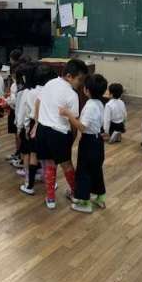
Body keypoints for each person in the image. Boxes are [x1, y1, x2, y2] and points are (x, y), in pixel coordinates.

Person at [35, 58, 89, 209]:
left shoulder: (50, 83)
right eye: (79, 80)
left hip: (42, 130)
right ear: (69, 76)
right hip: (59, 134)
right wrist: (72, 140)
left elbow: (38, 103)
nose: (81, 84)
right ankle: (75, 193)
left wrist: (37, 123)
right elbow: (73, 122)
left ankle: (50, 198)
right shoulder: (72, 95)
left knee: (49, 164)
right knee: (67, 165)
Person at [59, 73, 108, 213]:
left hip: (89, 142)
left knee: (83, 171)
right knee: (96, 170)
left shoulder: (90, 105)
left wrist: (68, 114)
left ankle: (84, 203)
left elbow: (82, 127)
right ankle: (100, 197)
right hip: (97, 141)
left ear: (87, 90)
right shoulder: (100, 103)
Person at [20, 64, 57, 196]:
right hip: (48, 124)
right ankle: (51, 182)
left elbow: (26, 112)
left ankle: (29, 186)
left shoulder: (30, 92)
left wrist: (26, 128)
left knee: (33, 154)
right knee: (49, 156)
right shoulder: (52, 92)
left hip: (33, 124)